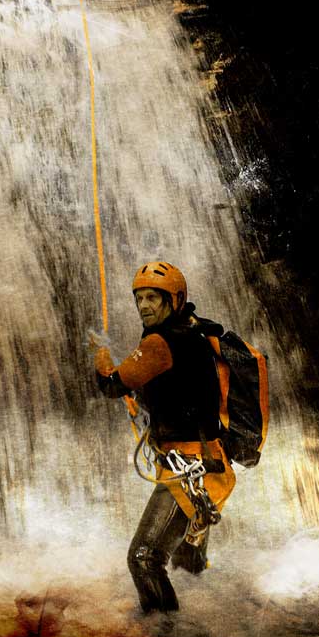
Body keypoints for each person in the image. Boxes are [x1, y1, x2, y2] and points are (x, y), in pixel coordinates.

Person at [87, 261, 233, 613]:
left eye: (153, 297)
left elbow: (111, 384)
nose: (144, 306)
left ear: (175, 300)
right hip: (206, 464)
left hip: (189, 470)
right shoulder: (193, 332)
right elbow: (179, 391)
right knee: (186, 563)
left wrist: (101, 355)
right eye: (139, 298)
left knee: (144, 558)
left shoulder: (161, 343)